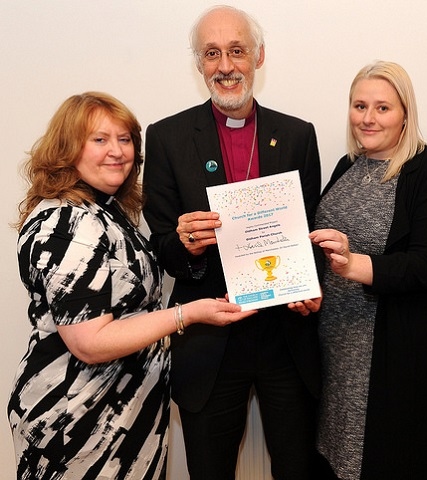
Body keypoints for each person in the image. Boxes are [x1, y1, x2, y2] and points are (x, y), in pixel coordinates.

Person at [6, 92, 255, 479]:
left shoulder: (105, 212)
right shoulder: (67, 223)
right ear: (68, 148)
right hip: (79, 421)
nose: (117, 151)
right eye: (99, 139)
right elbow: (90, 342)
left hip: (123, 414)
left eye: (124, 139)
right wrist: (188, 314)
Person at [141, 5, 322, 479]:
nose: (225, 66)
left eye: (237, 51)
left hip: (286, 337)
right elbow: (161, 243)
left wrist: (308, 283)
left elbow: (307, 233)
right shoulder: (165, 138)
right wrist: (188, 246)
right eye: (212, 53)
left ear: (258, 57)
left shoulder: (299, 136)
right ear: (199, 64)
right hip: (210, 339)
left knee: (297, 468)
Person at [309, 61, 427, 480]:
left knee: (390, 462)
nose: (368, 117)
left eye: (383, 107)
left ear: (405, 114)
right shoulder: (348, 166)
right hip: (338, 351)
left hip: (396, 361)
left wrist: (352, 264)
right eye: (359, 105)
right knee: (338, 461)